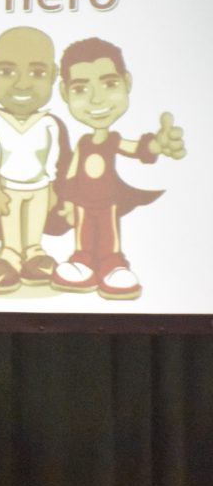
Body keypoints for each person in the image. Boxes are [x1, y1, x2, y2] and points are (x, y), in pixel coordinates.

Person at [51, 38, 185, 299]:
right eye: (80, 89)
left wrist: (158, 144)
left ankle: (112, 264)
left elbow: (137, 148)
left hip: (108, 202)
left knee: (108, 232)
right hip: (81, 203)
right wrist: (66, 202)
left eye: (110, 84)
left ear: (127, 83)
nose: (96, 98)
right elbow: (71, 174)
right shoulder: (83, 143)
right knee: (84, 233)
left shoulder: (112, 141)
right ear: (65, 93)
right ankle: (82, 261)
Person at [0, 26, 69, 292]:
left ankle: (33, 252)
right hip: (8, 185)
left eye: (38, 73)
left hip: (40, 185)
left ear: (53, 75)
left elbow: (52, 155)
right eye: (7, 72)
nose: (22, 84)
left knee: (34, 224)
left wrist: (51, 185)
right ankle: (9, 255)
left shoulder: (49, 123)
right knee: (11, 225)